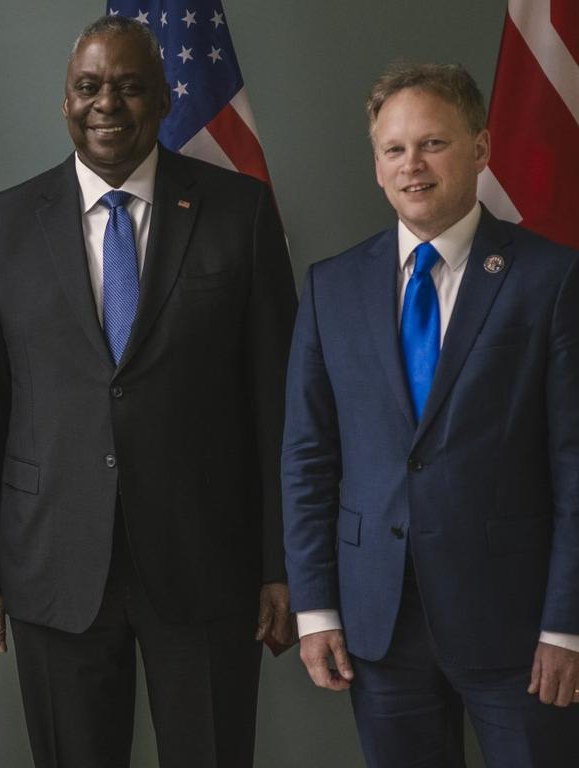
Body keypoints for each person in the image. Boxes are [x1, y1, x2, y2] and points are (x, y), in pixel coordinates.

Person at [0, 16, 296, 768]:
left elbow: (278, 408)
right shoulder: (1, 224)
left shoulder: (241, 212)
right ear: (65, 101)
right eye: (89, 86)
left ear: (164, 98)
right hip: (52, 564)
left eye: (130, 86)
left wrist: (282, 561)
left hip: (207, 559)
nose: (107, 102)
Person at [282, 62, 579, 767]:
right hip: (377, 625)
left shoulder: (552, 278)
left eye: (433, 144)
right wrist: (317, 609)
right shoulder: (331, 286)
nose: (412, 165)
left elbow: (575, 462)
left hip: (518, 628)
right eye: (394, 149)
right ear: (378, 166)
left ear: (479, 150)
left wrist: (567, 625)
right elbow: (308, 458)